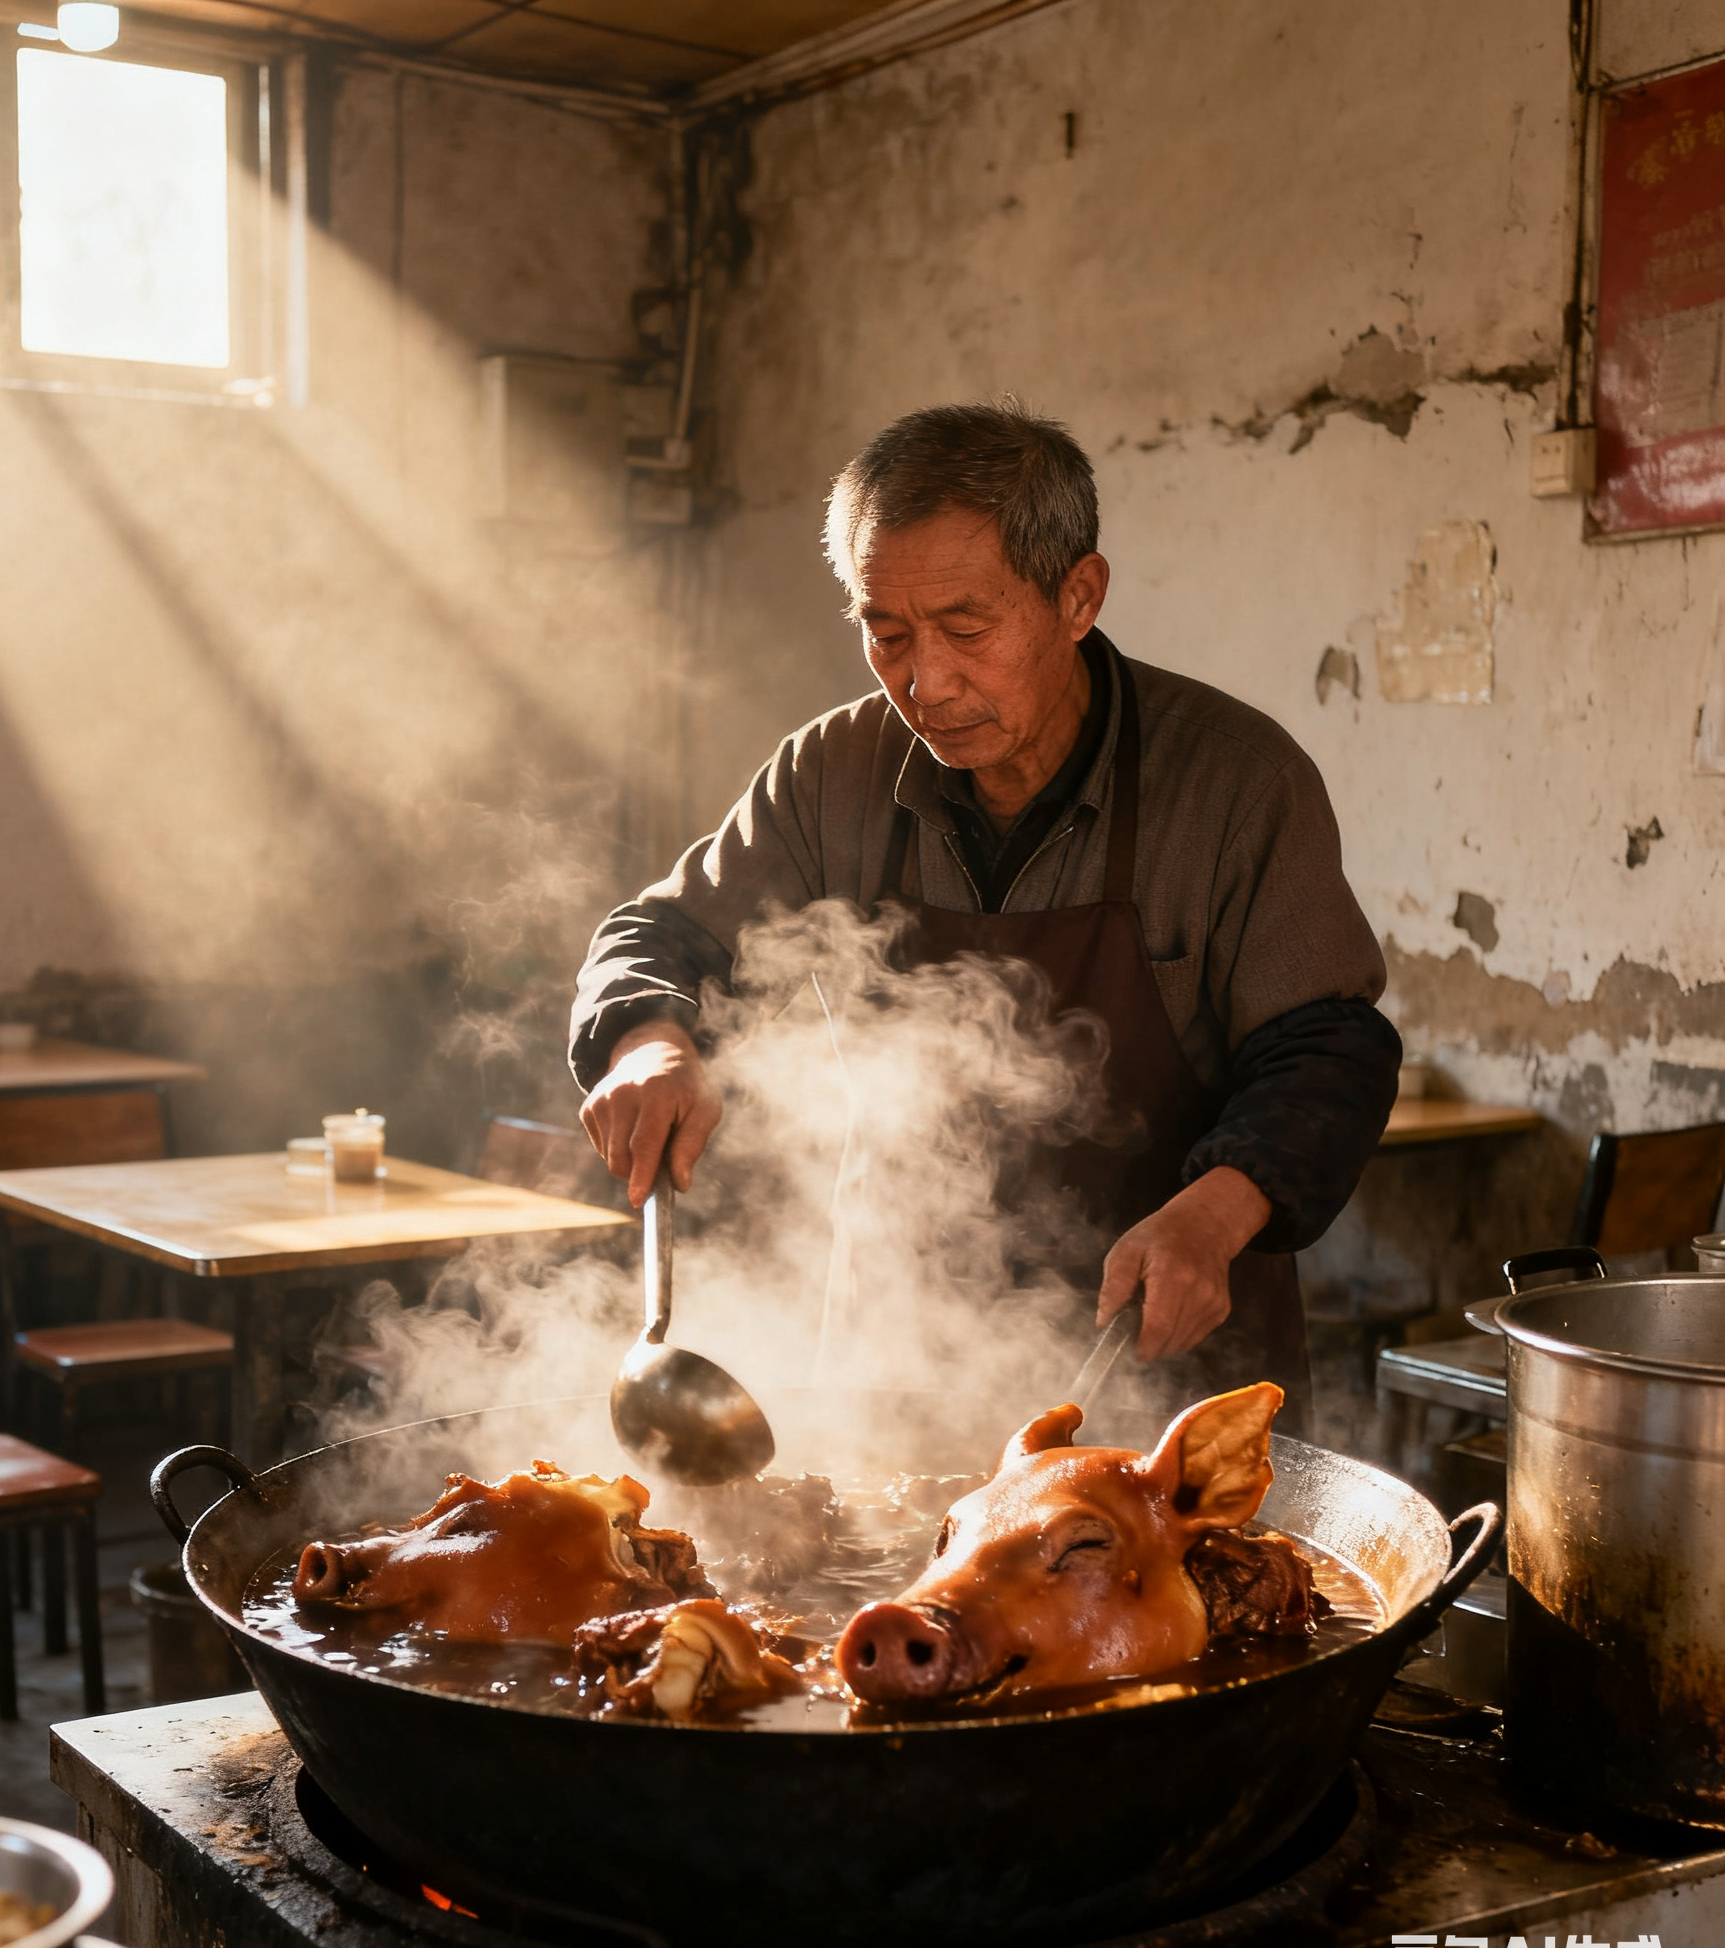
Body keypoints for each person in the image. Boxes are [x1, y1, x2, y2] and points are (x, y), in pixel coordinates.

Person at [569, 402, 1399, 1429]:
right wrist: (645, 1040)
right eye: (886, 632)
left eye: (966, 627)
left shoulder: (1233, 782)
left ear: (1076, 595)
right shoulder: (830, 774)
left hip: (1161, 1370)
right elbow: (658, 936)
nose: (924, 680)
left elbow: (1326, 1049)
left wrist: (1216, 1212)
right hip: (893, 1362)